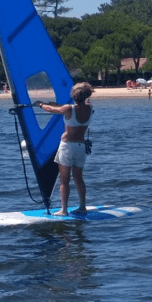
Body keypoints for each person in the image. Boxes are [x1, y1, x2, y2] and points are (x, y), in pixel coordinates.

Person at [35, 82, 94, 216]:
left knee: (64, 180)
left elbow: (53, 110)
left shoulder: (68, 109)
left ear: (73, 95)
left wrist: (40, 104)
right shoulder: (89, 108)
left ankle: (64, 210)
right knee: (79, 178)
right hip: (80, 147)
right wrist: (56, 105)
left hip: (67, 146)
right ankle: (82, 206)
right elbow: (68, 108)